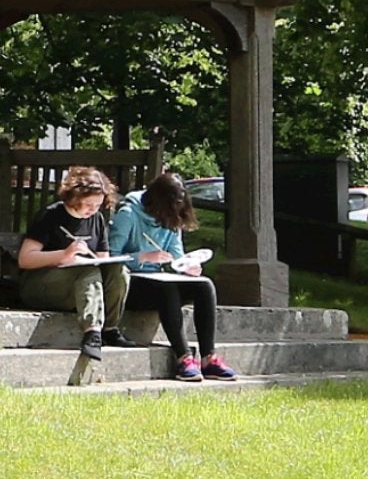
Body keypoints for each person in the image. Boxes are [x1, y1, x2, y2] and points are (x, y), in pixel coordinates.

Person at [109, 170, 237, 381]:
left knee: (204, 285)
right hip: (129, 283)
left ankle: (208, 357)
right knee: (167, 289)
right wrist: (143, 257)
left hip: (158, 279)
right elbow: (111, 255)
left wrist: (187, 266)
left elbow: (176, 255)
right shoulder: (128, 214)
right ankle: (183, 357)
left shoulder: (172, 218)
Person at [17, 165, 133, 387]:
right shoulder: (51, 215)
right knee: (87, 271)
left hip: (80, 284)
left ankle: (109, 328)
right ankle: (92, 332)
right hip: (40, 284)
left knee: (118, 271)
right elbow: (25, 259)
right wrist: (64, 254)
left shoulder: (97, 220)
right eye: (88, 204)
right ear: (75, 196)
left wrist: (100, 261)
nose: (92, 210)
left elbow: (103, 260)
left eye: (97, 205)